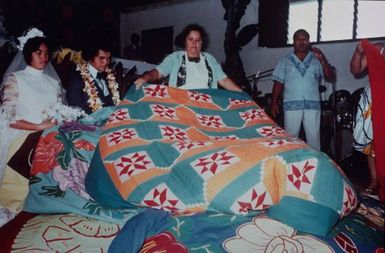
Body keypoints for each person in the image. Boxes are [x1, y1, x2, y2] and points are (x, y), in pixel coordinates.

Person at [0, 28, 65, 220]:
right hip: (22, 137)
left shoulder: (53, 83)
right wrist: (38, 127)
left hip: (48, 138)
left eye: (46, 53)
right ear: (28, 54)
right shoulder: (15, 79)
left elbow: (59, 112)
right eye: (39, 53)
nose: (44, 57)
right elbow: (9, 119)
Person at [270, 29, 336, 150]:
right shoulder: (285, 60)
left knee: (314, 139)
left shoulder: (316, 60)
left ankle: (315, 164)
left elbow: (331, 77)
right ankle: (291, 164)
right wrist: (274, 102)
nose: (302, 42)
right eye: (298, 39)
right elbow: (278, 83)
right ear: (293, 42)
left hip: (313, 105)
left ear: (309, 41)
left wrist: (323, 60)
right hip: (291, 105)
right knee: (291, 138)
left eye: (304, 39)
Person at [135, 23, 242, 92]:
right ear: (185, 41)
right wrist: (146, 77)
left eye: (197, 40)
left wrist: (242, 94)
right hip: (181, 103)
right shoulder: (174, 58)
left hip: (207, 104)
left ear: (202, 43)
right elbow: (158, 73)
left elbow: (224, 80)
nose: (194, 43)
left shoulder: (210, 59)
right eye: (190, 39)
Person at [350, 41, 385, 198]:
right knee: (373, 141)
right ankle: (374, 181)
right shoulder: (378, 48)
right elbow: (356, 70)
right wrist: (358, 53)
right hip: (375, 98)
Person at [65, 41, 121, 114]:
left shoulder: (109, 75)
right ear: (91, 57)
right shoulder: (77, 79)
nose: (106, 62)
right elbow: (76, 110)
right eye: (101, 58)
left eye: (108, 58)